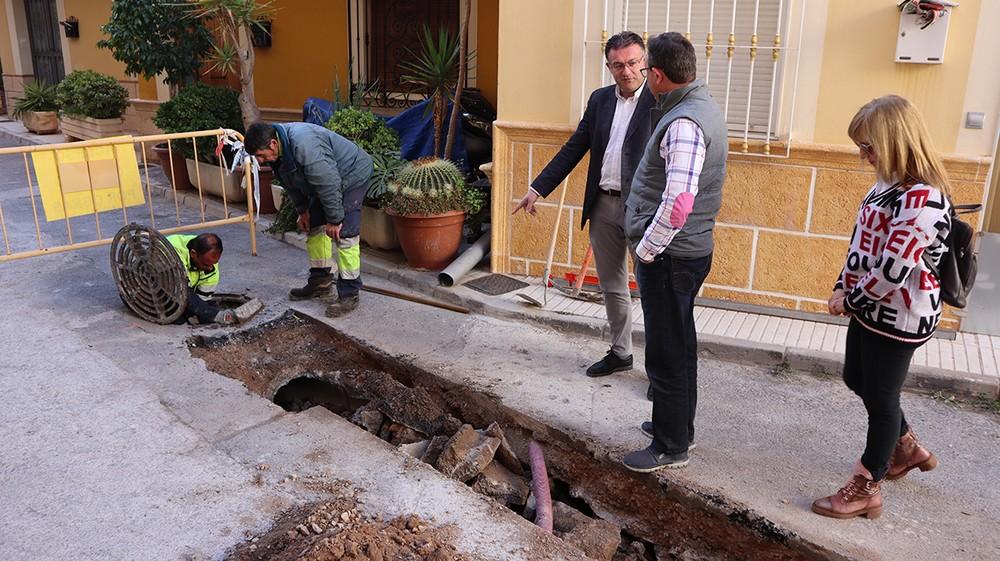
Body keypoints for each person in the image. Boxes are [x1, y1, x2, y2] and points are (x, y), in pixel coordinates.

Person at [811, 95, 948, 520]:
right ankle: (906, 447)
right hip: (870, 307)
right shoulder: (886, 185)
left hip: (901, 314)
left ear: (895, 142)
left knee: (883, 397)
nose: (862, 155)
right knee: (856, 377)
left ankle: (867, 486)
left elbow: (892, 269)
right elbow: (862, 246)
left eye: (868, 146)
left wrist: (849, 300)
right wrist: (842, 285)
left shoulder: (923, 199)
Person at [513, 31, 656, 378]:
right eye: (618, 65)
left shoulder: (660, 100)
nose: (627, 71)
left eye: (633, 63)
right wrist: (537, 189)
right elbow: (574, 148)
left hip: (644, 211)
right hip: (603, 205)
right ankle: (621, 352)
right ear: (608, 67)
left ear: (645, 61)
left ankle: (660, 371)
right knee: (612, 286)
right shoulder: (600, 100)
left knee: (654, 292)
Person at [621, 32, 727, 472]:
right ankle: (678, 427)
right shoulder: (701, 106)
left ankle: (669, 446)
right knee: (681, 344)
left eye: (646, 69)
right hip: (686, 253)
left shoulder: (683, 123)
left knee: (666, 352)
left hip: (670, 257)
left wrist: (647, 251)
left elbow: (679, 204)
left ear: (658, 76)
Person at [245, 121, 373, 318]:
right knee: (314, 225)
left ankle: (349, 293)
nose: (260, 161)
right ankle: (321, 282)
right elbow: (290, 184)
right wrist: (303, 210)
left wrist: (335, 219)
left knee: (345, 233)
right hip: (328, 180)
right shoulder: (278, 153)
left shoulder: (304, 144)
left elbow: (328, 183)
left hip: (352, 173)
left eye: (260, 155)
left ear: (272, 144)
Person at [166, 233, 235, 325]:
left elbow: (204, 298)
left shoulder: (209, 260)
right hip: (160, 285)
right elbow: (181, 291)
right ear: (193, 254)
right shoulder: (173, 252)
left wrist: (208, 312)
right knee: (177, 317)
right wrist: (213, 315)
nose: (210, 268)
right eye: (206, 264)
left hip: (184, 287)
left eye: (213, 263)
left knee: (203, 312)